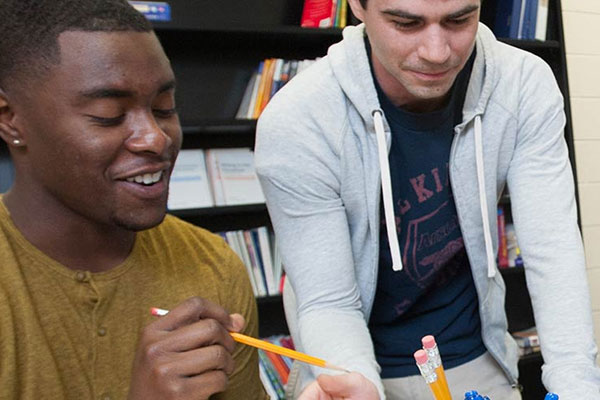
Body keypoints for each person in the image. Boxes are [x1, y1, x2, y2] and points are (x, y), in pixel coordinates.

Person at [255, 0, 600, 399]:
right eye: (406, 23)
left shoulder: (522, 83)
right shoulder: (298, 121)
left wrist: (578, 384)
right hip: (352, 362)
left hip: (474, 356)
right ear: (358, 6)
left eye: (459, 20)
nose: (437, 52)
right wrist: (360, 386)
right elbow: (329, 301)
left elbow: (552, 249)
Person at [0, 1, 268, 399]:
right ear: (10, 119)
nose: (155, 138)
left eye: (164, 108)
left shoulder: (212, 266)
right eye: (109, 114)